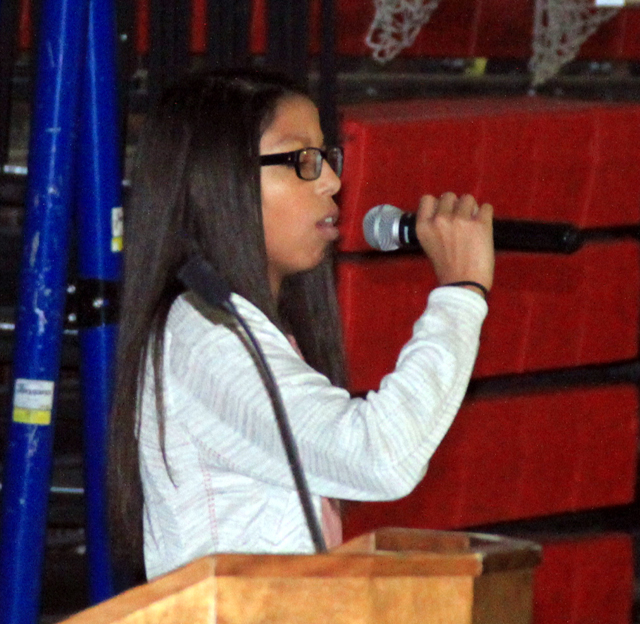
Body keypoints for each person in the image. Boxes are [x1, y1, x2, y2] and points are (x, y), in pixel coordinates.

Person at [108, 68, 494, 581]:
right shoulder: (206, 337)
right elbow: (380, 457)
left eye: (326, 157)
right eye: (302, 161)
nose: (332, 181)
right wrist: (460, 295)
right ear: (218, 181)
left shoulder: (249, 327)